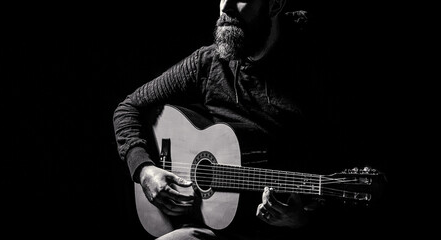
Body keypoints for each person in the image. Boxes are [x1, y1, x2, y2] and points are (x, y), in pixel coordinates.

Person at [113, 0, 348, 239]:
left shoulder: (317, 68)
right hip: (208, 227)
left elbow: (337, 166)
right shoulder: (207, 63)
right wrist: (144, 169)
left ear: (275, 5)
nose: (226, 7)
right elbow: (128, 107)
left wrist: (302, 219)